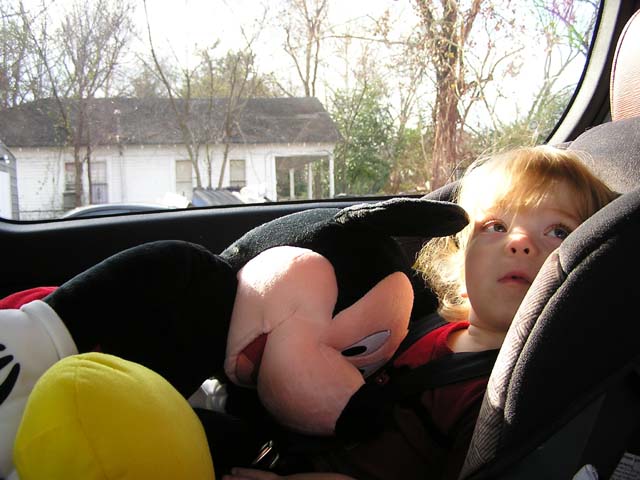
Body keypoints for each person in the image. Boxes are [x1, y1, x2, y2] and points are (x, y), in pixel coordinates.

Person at [221, 145, 619, 480]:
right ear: (461, 263)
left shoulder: (499, 394)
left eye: (558, 232)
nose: (519, 242)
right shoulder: (430, 327)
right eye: (495, 226)